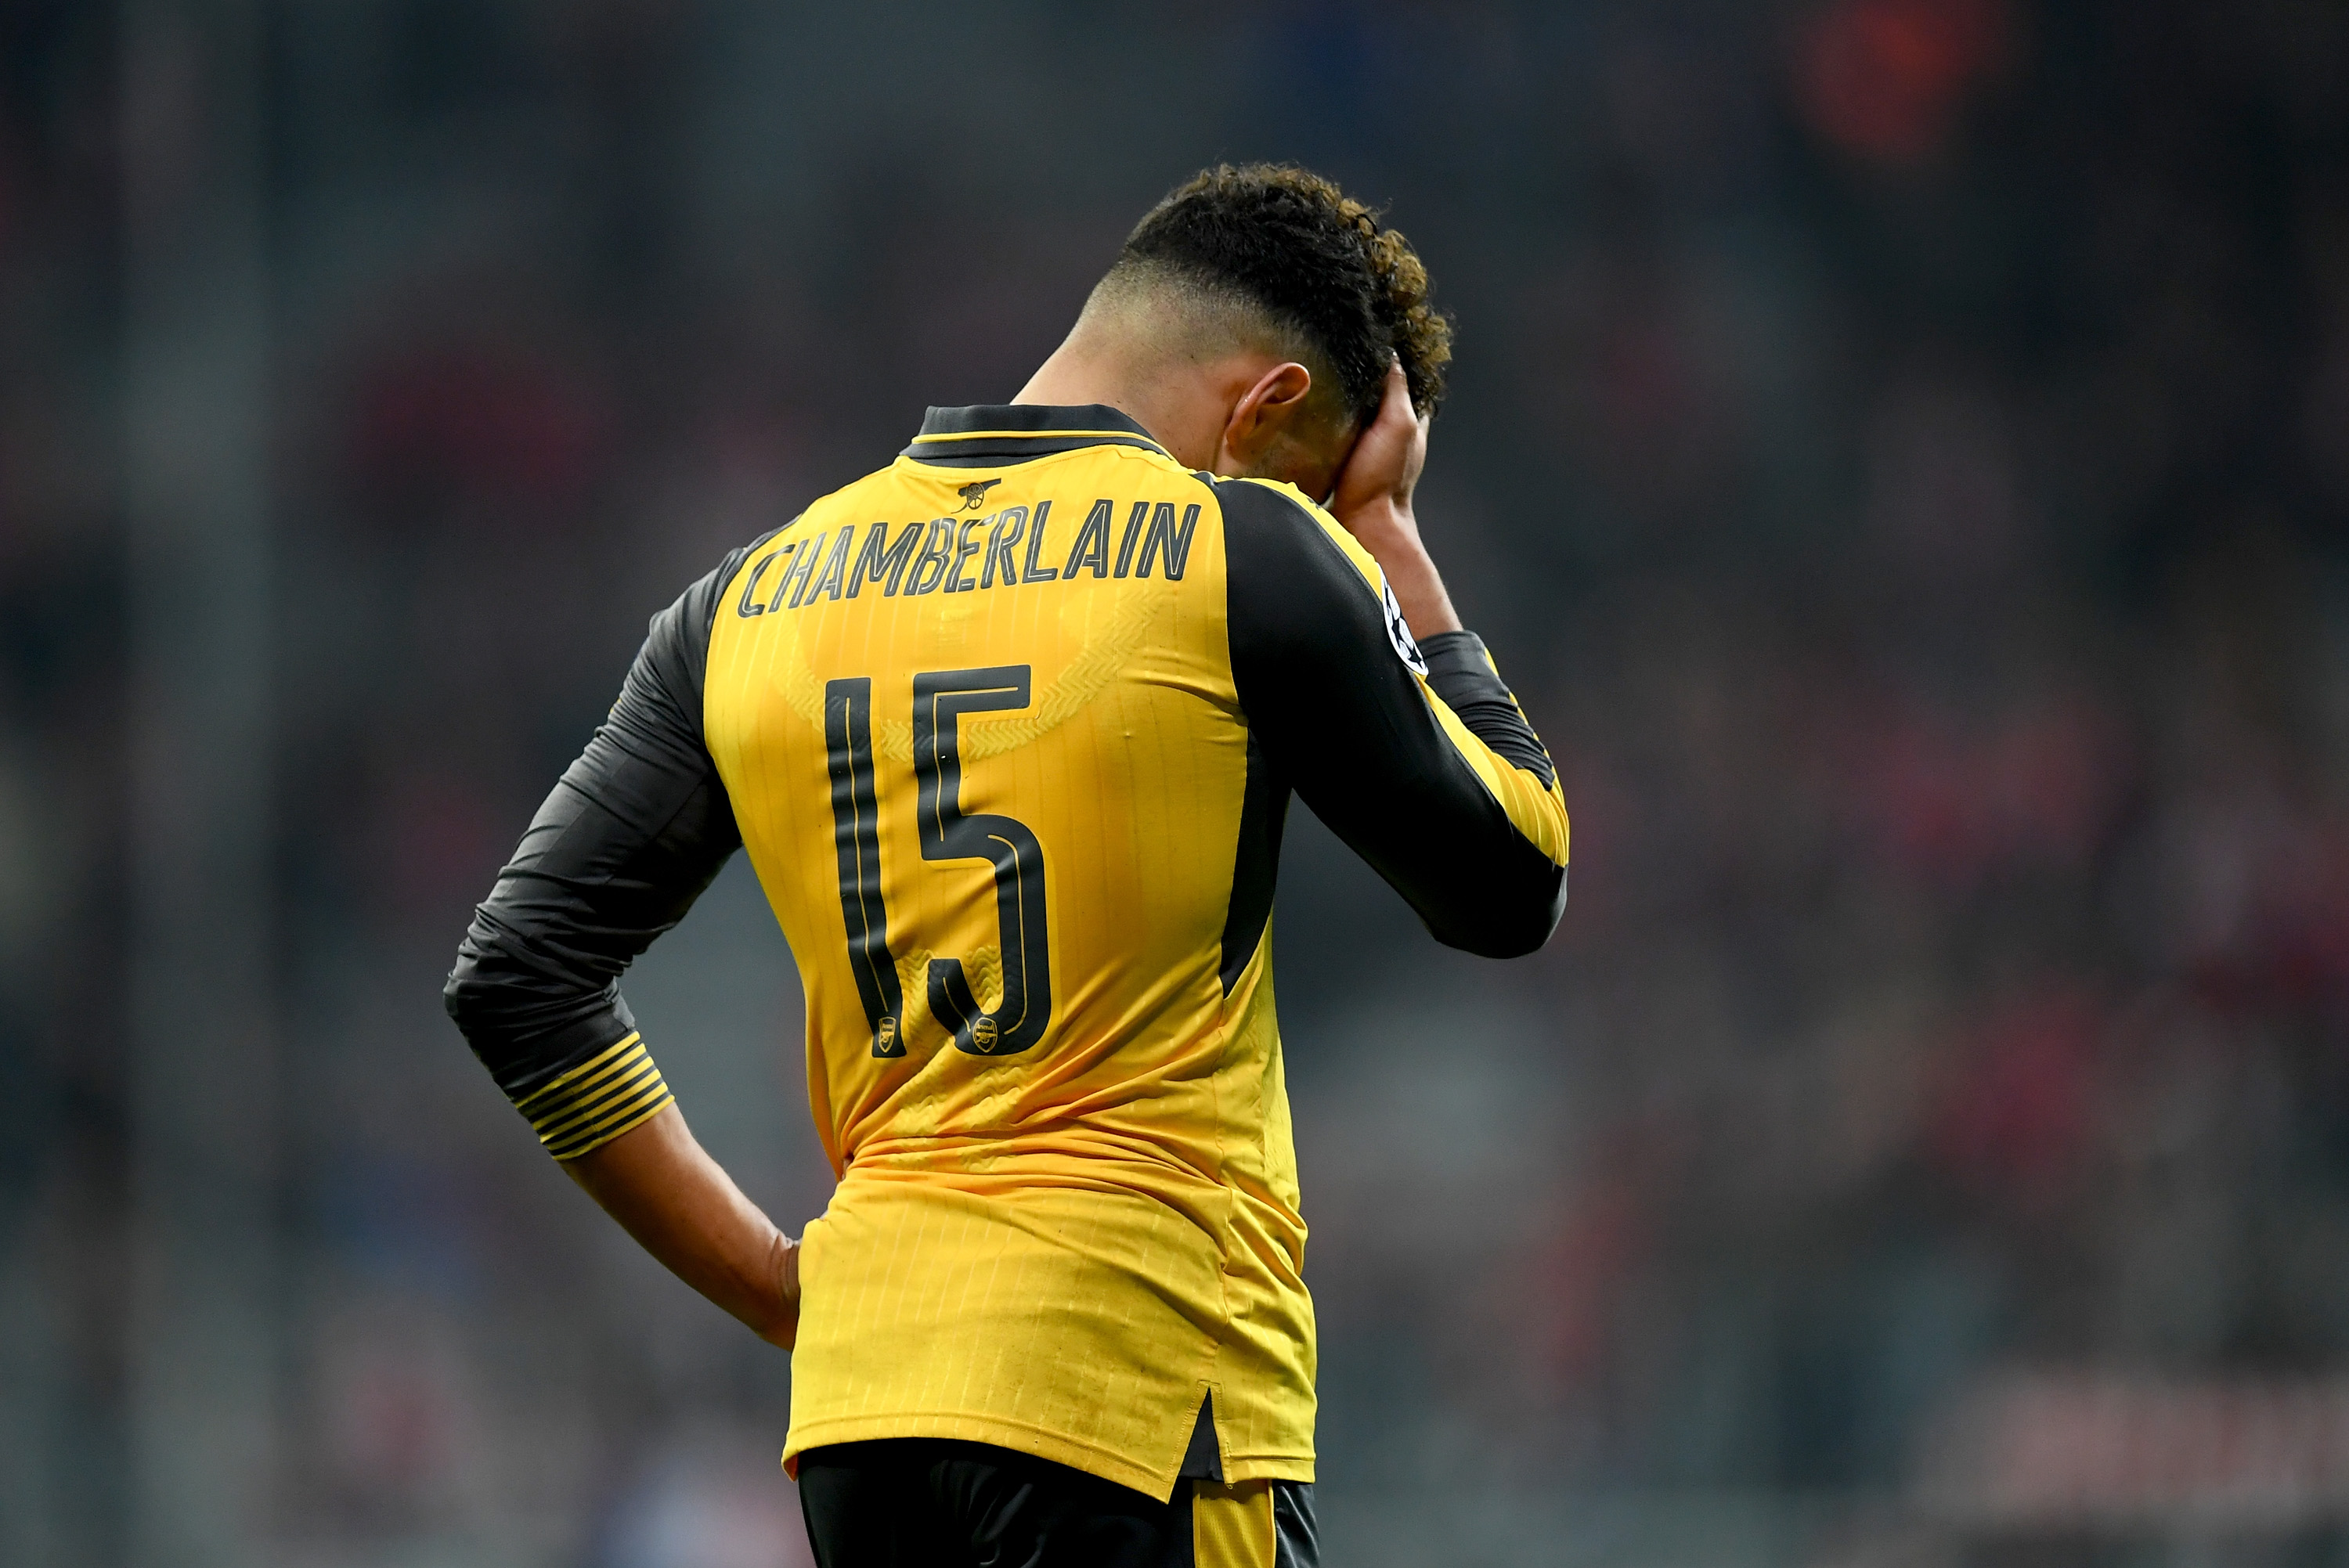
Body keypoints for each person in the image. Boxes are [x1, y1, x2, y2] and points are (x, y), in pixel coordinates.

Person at [446, 163, 1568, 1568]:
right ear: (1266, 408)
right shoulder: (1240, 551)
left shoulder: (745, 600)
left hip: (864, 1423)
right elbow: (1512, 883)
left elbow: (517, 975)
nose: (1320, 515)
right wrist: (1389, 541)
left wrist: (784, 1287)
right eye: (1316, 482)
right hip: (1138, 1391)